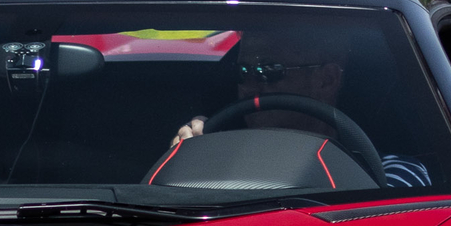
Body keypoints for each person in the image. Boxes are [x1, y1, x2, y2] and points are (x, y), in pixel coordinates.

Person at [162, 33, 430, 188]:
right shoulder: (217, 159)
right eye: (243, 72)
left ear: (327, 80)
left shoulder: (390, 174)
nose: (251, 86)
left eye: (270, 71)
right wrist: (189, 162)